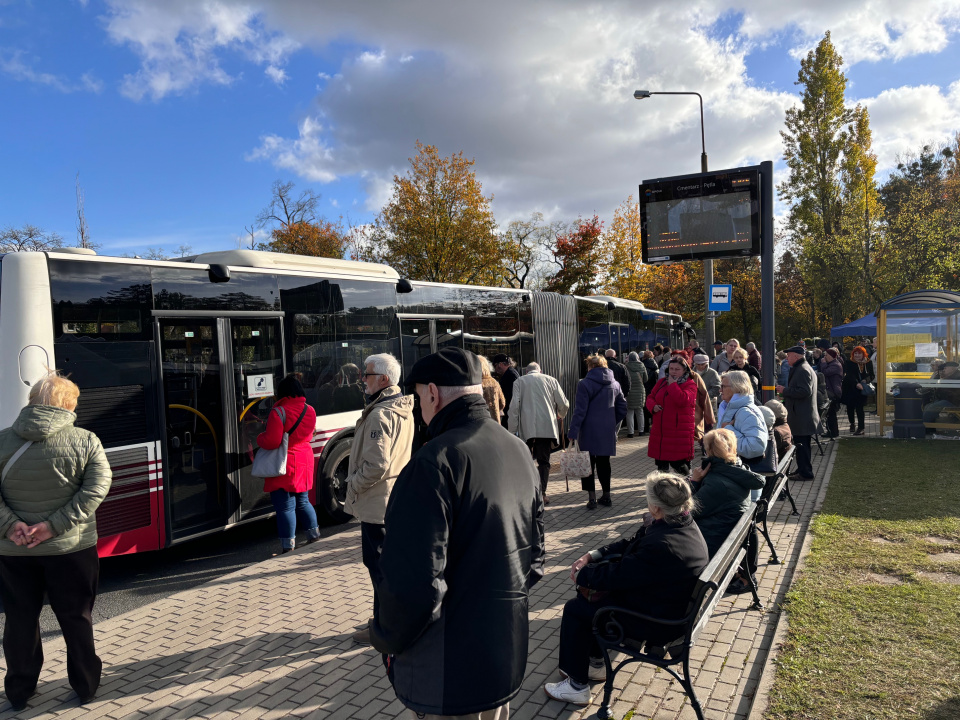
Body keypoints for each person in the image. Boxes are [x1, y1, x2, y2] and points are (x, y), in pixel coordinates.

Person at [371, 347, 544, 718]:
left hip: (448, 667)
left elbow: (413, 582)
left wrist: (386, 638)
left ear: (432, 393)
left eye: (418, 397)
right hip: (503, 652)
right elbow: (535, 555)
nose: (419, 407)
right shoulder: (517, 448)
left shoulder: (433, 462)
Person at [544, 472, 709, 706]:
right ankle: (595, 664)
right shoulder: (681, 522)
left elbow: (618, 576)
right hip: (668, 607)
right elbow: (632, 543)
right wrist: (592, 555)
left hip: (659, 623)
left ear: (655, 507)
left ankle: (576, 686)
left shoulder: (662, 544)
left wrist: (583, 576)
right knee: (591, 601)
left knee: (576, 608)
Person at [0, 372, 112, 710]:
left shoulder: (2, 440)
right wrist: (53, 526)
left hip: (12, 550)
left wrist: (10, 527)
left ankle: (19, 691)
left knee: (19, 617)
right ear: (68, 404)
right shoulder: (85, 440)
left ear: (33, 400)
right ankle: (85, 686)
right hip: (71, 548)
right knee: (76, 616)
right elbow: (97, 488)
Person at [343, 354, 415, 645]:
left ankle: (384, 627)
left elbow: (376, 465)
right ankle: (384, 620)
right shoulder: (402, 406)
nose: (363, 380)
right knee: (387, 568)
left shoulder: (379, 414)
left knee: (379, 569)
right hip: (392, 499)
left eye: (367, 374)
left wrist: (353, 485)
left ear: (384, 380)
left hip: (376, 504)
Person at [257, 374, 320, 553]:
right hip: (305, 458)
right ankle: (314, 535)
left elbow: (272, 441)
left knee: (285, 506)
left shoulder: (279, 412)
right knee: (303, 501)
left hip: (286, 462)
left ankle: (288, 545)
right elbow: (311, 434)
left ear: (282, 393)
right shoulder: (310, 410)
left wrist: (259, 438)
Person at [689, 429, 765, 558]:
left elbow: (686, 513)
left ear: (708, 451)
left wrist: (694, 482)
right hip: (726, 536)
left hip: (712, 544)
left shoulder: (717, 483)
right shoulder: (738, 470)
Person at [567, 355, 627, 509]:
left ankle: (592, 498)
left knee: (588, 463)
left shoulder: (584, 384)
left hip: (588, 429)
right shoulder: (615, 384)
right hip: (606, 430)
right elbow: (622, 408)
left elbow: (580, 411)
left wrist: (573, 431)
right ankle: (606, 496)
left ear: (590, 367)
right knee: (604, 463)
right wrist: (612, 421)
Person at [509, 362, 570, 503]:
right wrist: (560, 415)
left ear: (526, 372)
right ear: (540, 371)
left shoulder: (519, 381)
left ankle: (529, 493)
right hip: (547, 427)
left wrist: (512, 431)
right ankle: (542, 494)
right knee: (544, 461)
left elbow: (514, 407)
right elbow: (564, 403)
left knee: (526, 460)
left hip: (526, 427)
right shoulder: (551, 380)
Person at [646, 355, 698, 476]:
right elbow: (650, 397)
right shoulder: (661, 382)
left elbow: (683, 400)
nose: (673, 372)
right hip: (661, 432)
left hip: (678, 433)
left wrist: (673, 385)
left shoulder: (690, 384)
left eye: (677, 369)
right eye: (671, 368)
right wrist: (652, 406)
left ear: (685, 370)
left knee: (680, 465)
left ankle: (688, 489)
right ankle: (662, 492)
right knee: (661, 467)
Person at [776, 346, 819, 481]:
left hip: (802, 416)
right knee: (801, 445)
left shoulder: (803, 370)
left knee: (802, 445)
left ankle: (805, 472)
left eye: (788, 356)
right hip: (801, 414)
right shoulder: (803, 368)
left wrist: (785, 390)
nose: (787, 358)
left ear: (796, 356)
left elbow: (805, 391)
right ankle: (802, 469)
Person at [716, 370, 768, 464]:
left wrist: (727, 430)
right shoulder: (728, 407)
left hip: (741, 471)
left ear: (737, 387)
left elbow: (755, 448)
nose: (720, 390)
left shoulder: (746, 412)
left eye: (723, 386)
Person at [840, 345, 875, 436]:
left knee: (860, 408)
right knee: (850, 407)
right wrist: (856, 383)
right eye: (855, 353)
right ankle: (852, 423)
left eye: (859, 353)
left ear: (863, 354)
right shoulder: (849, 362)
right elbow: (849, 375)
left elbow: (872, 375)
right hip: (850, 387)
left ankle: (861, 428)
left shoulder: (868, 362)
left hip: (862, 389)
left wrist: (866, 380)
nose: (857, 355)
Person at [819, 348, 843, 438]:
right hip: (831, 391)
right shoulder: (831, 364)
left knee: (831, 414)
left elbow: (824, 372)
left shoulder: (836, 365)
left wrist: (823, 363)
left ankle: (834, 432)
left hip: (833, 392)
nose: (824, 357)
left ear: (832, 356)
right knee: (829, 414)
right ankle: (831, 431)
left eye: (826, 355)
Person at [492, 353, 521, 428]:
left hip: (510, 412)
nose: (495, 369)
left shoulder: (510, 375)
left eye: (495, 366)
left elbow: (511, 396)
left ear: (500, 364)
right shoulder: (511, 373)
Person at [624, 352, 648, 437]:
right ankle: (641, 431)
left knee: (629, 412)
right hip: (640, 390)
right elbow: (645, 379)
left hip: (629, 391)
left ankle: (631, 432)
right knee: (640, 411)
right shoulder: (642, 366)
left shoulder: (626, 366)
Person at [479, 355, 506, 421]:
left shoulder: (475, 383)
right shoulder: (494, 382)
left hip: (480, 422)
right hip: (494, 421)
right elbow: (502, 403)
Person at [694, 353, 721, 418]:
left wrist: (705, 395)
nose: (700, 366)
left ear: (707, 363)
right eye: (698, 364)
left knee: (708, 424)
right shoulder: (691, 372)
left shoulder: (712, 373)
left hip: (709, 403)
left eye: (702, 364)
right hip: (694, 402)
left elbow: (717, 388)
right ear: (694, 363)